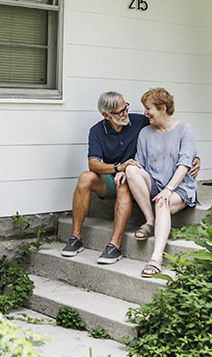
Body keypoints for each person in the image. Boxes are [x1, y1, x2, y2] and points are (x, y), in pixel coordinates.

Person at [64, 91, 199, 265]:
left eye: (125, 108)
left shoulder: (140, 122)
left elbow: (174, 136)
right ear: (106, 115)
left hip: (147, 182)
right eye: (120, 112)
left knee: (127, 181)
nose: (126, 113)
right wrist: (119, 168)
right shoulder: (99, 131)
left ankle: (116, 245)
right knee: (87, 177)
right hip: (115, 177)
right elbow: (95, 164)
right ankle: (76, 237)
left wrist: (195, 159)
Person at [121, 87, 198, 278]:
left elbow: (185, 163)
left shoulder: (184, 129)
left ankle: (156, 259)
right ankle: (150, 220)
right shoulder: (145, 133)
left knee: (163, 201)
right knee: (131, 169)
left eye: (148, 109)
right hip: (155, 184)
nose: (145, 113)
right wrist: (124, 172)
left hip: (180, 188)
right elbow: (140, 164)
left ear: (162, 108)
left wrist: (169, 189)